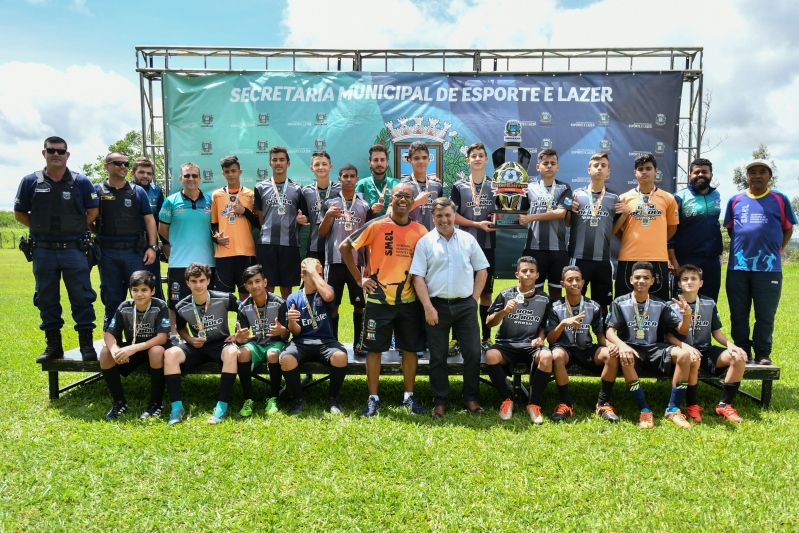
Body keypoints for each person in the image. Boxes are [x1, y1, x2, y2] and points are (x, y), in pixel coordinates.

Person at [341, 183, 429, 416]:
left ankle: (409, 397)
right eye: (398, 195)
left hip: (409, 302)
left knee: (410, 349)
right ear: (391, 198)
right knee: (374, 349)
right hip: (379, 302)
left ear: (413, 202)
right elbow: (344, 246)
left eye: (407, 196)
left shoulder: (421, 230)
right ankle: (373, 398)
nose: (402, 199)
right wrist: (360, 279)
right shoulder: (377, 225)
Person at [15, 136, 99, 362]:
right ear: (44, 153)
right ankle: (54, 346)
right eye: (51, 150)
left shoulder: (81, 181)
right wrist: (42, 227)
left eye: (61, 151)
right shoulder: (30, 181)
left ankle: (87, 345)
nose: (56, 154)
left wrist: (73, 226)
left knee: (81, 296)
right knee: (46, 297)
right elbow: (19, 213)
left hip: (74, 249)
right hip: (43, 250)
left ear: (67, 155)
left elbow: (92, 212)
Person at [411, 197, 489, 417]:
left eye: (448, 215)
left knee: (472, 353)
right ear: (432, 217)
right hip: (436, 306)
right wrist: (427, 307)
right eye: (439, 216)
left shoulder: (468, 240)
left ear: (454, 215)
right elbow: (418, 277)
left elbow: (482, 269)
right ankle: (441, 400)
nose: (444, 220)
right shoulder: (425, 242)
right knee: (437, 356)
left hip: (465, 305)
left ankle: (471, 398)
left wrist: (474, 299)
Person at [724, 159, 796, 365]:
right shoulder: (735, 200)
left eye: (762, 172)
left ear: (769, 176)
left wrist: (775, 249)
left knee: (765, 315)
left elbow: (788, 228)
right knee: (739, 314)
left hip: (769, 268)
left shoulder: (780, 199)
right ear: (746, 176)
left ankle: (763, 353)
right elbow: (731, 229)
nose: (757, 175)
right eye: (752, 172)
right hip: (738, 268)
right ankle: (743, 351)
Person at [604, 262, 693, 429]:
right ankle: (644, 410)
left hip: (654, 348)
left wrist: (687, 315)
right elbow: (609, 332)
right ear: (631, 279)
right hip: (630, 347)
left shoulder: (661, 304)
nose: (641, 281)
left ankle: (673, 409)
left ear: (652, 281)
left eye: (646, 278)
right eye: (637, 277)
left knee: (684, 355)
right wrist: (622, 346)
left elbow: (682, 330)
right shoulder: (619, 302)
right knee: (626, 358)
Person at [666, 265, 748, 422]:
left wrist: (731, 345)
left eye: (693, 279)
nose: (689, 282)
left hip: (706, 350)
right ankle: (692, 406)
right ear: (679, 284)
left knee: (738, 357)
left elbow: (716, 332)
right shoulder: (671, 305)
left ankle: (724, 405)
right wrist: (685, 347)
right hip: (682, 351)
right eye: (685, 279)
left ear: (701, 283)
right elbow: (667, 336)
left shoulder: (709, 303)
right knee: (692, 358)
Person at [162, 263, 241, 425]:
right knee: (170, 354)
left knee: (232, 353)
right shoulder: (181, 306)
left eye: (201, 280)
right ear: (187, 283)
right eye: (194, 281)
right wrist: (190, 340)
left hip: (221, 344)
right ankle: (177, 408)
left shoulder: (224, 297)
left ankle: (222, 406)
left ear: (208, 281)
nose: (198, 285)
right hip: (197, 346)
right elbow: (180, 328)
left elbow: (245, 310)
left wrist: (237, 335)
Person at [546, 265, 622, 423]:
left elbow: (600, 336)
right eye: (570, 280)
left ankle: (603, 404)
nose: (574, 283)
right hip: (564, 349)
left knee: (611, 355)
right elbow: (551, 340)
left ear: (583, 282)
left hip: (586, 348)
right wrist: (563, 324)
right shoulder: (554, 307)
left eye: (577, 279)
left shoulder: (593, 306)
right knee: (556, 355)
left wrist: (611, 345)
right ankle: (566, 403)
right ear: (562, 284)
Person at [92, 152, 159, 329]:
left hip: (133, 251)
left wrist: (152, 247)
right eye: (117, 163)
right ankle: (111, 335)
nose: (122, 166)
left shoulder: (137, 192)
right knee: (112, 296)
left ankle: (142, 334)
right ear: (106, 166)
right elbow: (87, 218)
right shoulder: (96, 190)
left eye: (125, 163)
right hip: (107, 253)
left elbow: (149, 220)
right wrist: (97, 232)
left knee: (140, 293)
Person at [483, 257, 552, 423]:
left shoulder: (545, 299)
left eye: (532, 271)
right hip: (507, 344)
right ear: (517, 274)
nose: (528, 274)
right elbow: (489, 322)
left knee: (547, 357)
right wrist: (504, 311)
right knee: (491, 355)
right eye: (524, 271)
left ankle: (533, 405)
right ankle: (506, 401)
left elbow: (545, 326)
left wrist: (540, 338)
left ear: (537, 275)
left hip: (531, 345)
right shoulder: (506, 294)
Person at [280, 257, 348, 415]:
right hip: (301, 342)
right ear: (302, 277)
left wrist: (313, 272)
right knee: (286, 358)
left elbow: (329, 297)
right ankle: (298, 400)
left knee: (340, 356)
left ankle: (333, 399)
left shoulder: (326, 290)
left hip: (326, 342)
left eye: (320, 274)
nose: (319, 278)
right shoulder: (294, 298)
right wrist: (291, 321)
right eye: (313, 274)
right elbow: (295, 332)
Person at [99, 270, 170, 421]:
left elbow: (162, 338)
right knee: (105, 353)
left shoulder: (160, 306)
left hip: (152, 348)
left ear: (153, 291)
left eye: (144, 290)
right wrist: (115, 350)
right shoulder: (124, 307)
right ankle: (119, 402)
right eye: (135, 290)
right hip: (133, 348)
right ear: (130, 291)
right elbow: (109, 334)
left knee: (156, 351)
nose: (139, 294)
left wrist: (133, 348)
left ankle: (156, 403)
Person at [449, 142, 498, 351]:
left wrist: (499, 217)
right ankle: (457, 339)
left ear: (486, 160)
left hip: (487, 248)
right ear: (468, 160)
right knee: (460, 292)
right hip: (463, 247)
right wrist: (476, 224)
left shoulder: (496, 186)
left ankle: (486, 338)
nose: (477, 158)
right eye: (473, 156)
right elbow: (453, 216)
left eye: (481, 155)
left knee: (486, 294)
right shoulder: (459, 186)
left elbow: (503, 210)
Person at [158, 162, 216, 334]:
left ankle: (208, 335)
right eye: (187, 175)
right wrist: (174, 245)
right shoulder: (170, 201)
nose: (191, 179)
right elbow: (162, 229)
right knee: (175, 302)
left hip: (207, 261)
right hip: (179, 262)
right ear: (180, 178)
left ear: (200, 178)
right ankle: (175, 335)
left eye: (194, 176)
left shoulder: (210, 201)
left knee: (206, 301)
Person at [318, 164, 371, 351]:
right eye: (345, 176)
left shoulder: (364, 206)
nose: (349, 179)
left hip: (357, 263)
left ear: (357, 179)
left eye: (352, 176)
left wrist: (369, 263)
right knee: (332, 304)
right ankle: (333, 342)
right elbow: (321, 233)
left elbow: (368, 239)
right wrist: (328, 216)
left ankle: (359, 342)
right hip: (333, 262)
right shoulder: (329, 204)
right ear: (339, 179)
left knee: (360, 305)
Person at [615, 153, 679, 301]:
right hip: (629, 257)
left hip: (657, 258)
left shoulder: (668, 198)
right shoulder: (624, 198)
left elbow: (672, 227)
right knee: (624, 302)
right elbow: (616, 228)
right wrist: (626, 238)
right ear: (635, 172)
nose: (644, 172)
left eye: (648, 168)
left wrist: (658, 241)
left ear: (656, 171)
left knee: (660, 302)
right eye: (640, 169)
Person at [568, 153, 625, 315]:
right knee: (574, 300)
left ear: (608, 171)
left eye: (603, 165)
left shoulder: (614, 198)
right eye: (596, 165)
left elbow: (612, 231)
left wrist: (626, 215)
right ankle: (573, 338)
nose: (599, 168)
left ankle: (603, 338)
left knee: (603, 304)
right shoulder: (576, 194)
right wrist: (567, 211)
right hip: (578, 258)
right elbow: (567, 223)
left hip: (602, 259)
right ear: (589, 169)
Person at [253, 146, 308, 299]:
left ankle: (285, 319)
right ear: (270, 163)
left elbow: (301, 217)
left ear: (288, 163)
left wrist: (296, 223)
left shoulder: (297, 188)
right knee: (268, 285)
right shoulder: (260, 187)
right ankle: (269, 318)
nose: (278, 163)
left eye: (282, 160)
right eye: (275, 160)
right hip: (267, 243)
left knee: (286, 287)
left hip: (289, 244)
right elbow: (260, 217)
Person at [518, 148, 573, 300]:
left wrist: (531, 217)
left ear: (558, 167)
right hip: (534, 249)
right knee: (532, 292)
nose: (549, 166)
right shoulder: (528, 188)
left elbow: (560, 213)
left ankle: (553, 323)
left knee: (556, 294)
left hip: (558, 249)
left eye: (552, 163)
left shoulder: (564, 188)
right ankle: (537, 324)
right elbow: (521, 214)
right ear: (538, 167)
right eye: (545, 163)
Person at [235, 264, 289, 417]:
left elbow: (286, 336)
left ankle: (273, 397)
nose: (255, 286)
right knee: (242, 353)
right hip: (257, 344)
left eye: (257, 281)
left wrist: (283, 331)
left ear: (265, 282)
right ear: (245, 286)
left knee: (273, 354)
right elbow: (242, 336)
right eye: (250, 283)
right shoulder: (244, 307)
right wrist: (240, 338)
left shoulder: (279, 302)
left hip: (276, 343)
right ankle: (248, 399)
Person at [668, 158, 723, 302]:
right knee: (682, 305)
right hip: (686, 259)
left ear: (711, 175)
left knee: (709, 303)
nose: (700, 175)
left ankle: (707, 326)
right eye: (696, 172)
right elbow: (670, 232)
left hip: (711, 260)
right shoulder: (679, 197)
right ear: (689, 175)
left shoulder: (716, 195)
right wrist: (672, 259)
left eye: (704, 172)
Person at [211, 155, 258, 299]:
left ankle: (243, 321)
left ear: (240, 172)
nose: (231, 174)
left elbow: (258, 223)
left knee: (246, 292)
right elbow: (213, 224)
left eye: (233, 171)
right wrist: (217, 238)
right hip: (224, 253)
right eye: (227, 171)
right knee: (223, 295)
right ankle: (224, 322)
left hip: (245, 251)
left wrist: (245, 211)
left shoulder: (250, 194)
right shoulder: (217, 195)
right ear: (223, 173)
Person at [131, 157, 166, 301]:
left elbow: (161, 220)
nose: (145, 176)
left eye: (149, 173)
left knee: (153, 282)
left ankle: (159, 319)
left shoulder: (156, 191)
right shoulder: (127, 189)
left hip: (150, 244)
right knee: (133, 282)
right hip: (131, 244)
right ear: (133, 173)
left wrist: (163, 244)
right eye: (141, 172)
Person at [301, 151, 341, 265]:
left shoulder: (341, 190)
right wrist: (302, 219)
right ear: (311, 168)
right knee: (311, 281)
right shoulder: (305, 191)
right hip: (314, 246)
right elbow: (306, 217)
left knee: (332, 283)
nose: (321, 167)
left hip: (335, 247)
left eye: (324, 164)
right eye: (317, 164)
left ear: (330, 167)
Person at [401, 141, 443, 231]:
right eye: (416, 158)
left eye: (424, 158)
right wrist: (417, 202)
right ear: (410, 161)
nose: (421, 161)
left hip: (431, 238)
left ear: (429, 160)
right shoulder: (403, 186)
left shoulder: (437, 185)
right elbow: (396, 213)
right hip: (409, 237)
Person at [355, 144, 398, 218]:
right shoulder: (361, 185)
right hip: (369, 227)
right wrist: (370, 211)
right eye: (375, 160)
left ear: (387, 162)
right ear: (369, 163)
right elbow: (356, 211)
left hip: (392, 228)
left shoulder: (397, 184)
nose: (379, 163)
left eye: (382, 160)